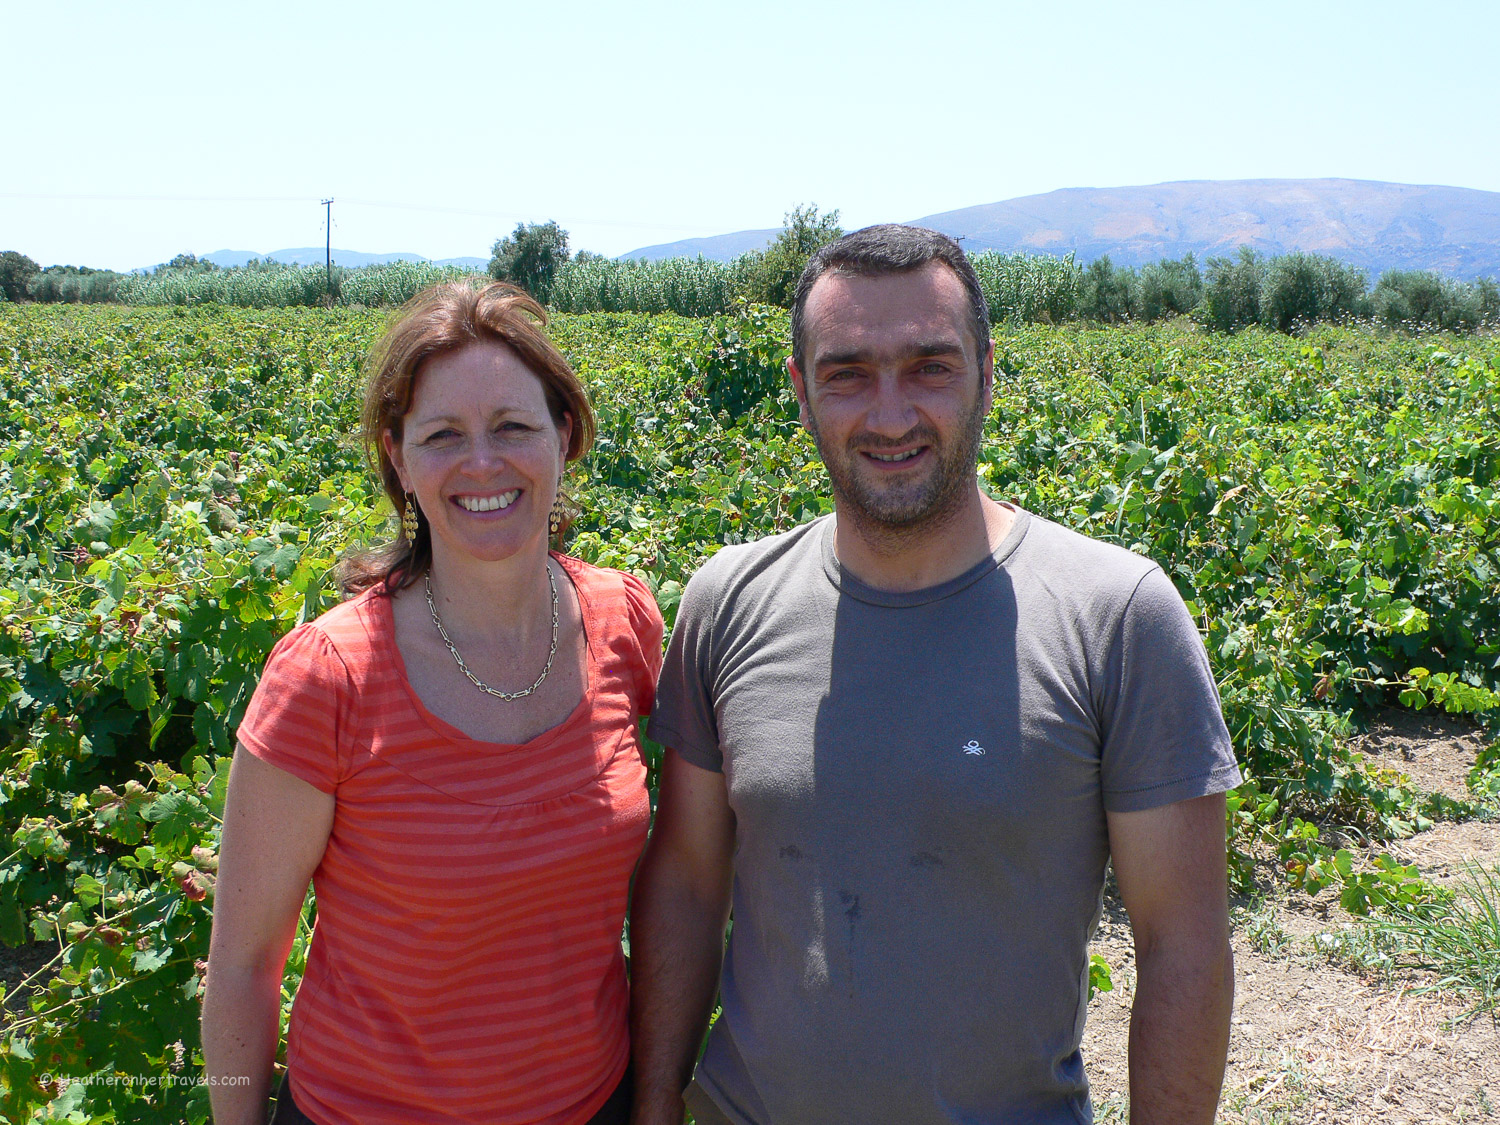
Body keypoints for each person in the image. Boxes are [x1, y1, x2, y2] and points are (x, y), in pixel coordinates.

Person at [629, 226, 1241, 1125]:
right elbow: (685, 880)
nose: (889, 413)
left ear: (988, 372)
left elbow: (1181, 942)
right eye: (847, 373)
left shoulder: (1117, 616)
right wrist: (653, 1107)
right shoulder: (729, 601)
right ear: (800, 391)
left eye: (929, 367)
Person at [202, 280, 663, 1125]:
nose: (481, 462)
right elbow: (242, 964)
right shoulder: (327, 678)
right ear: (399, 458)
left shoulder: (625, 623)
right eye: (442, 434)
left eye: (514, 427)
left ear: (563, 436)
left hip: (594, 1103)